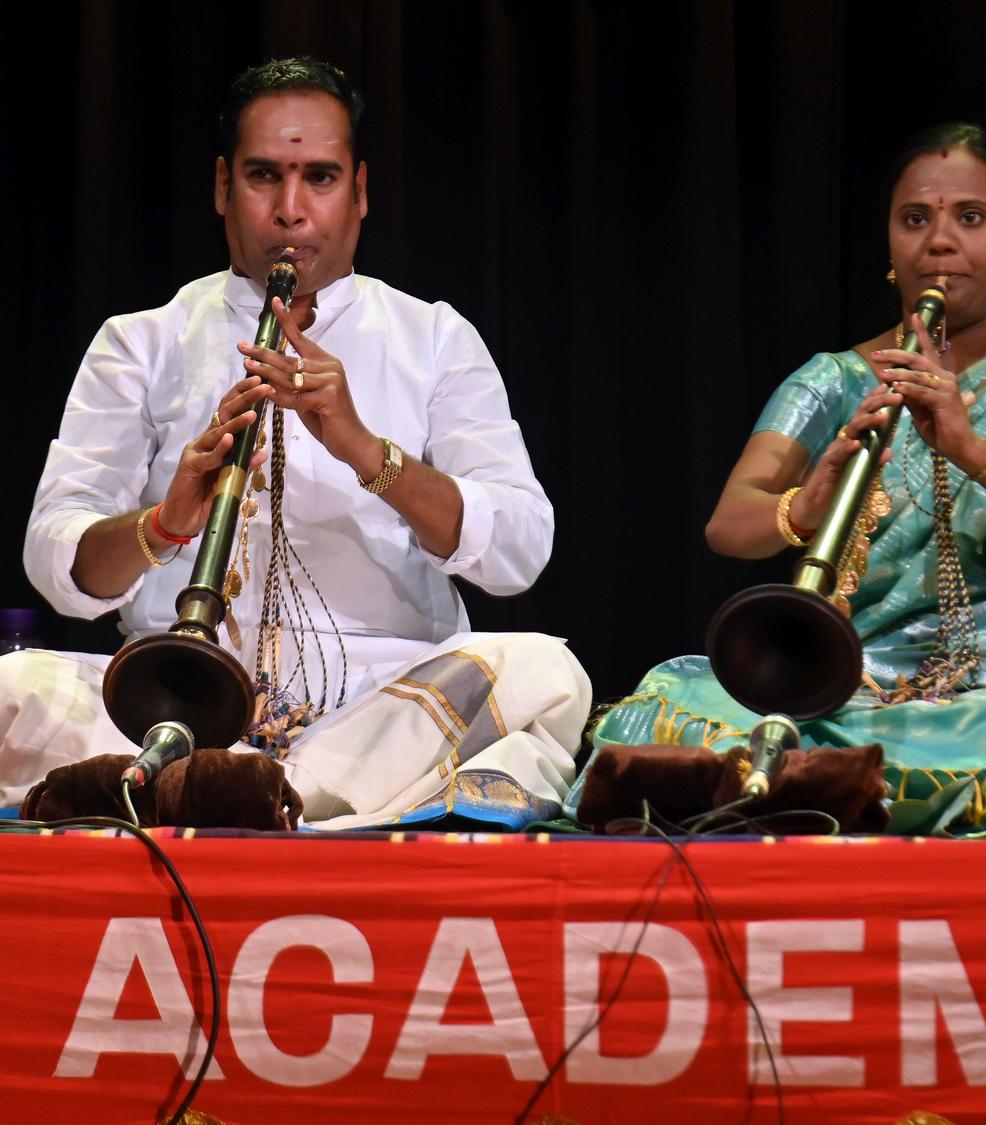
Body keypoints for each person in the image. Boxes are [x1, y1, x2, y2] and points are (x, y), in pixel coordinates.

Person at [1, 57, 590, 829]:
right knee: (11, 691)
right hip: (173, 695)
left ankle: (232, 789)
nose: (290, 210)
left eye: (319, 177)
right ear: (222, 188)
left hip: (380, 704)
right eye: (262, 176)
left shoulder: (435, 339)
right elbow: (57, 558)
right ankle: (269, 794)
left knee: (546, 674)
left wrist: (368, 453)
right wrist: (164, 524)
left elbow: (519, 549)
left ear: (360, 192)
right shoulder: (141, 343)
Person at [570, 122, 986, 836]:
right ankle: (859, 772)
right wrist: (802, 506)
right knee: (665, 702)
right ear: (891, 243)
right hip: (851, 681)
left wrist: (968, 445)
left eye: (970, 217)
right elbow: (729, 525)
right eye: (914, 219)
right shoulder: (835, 379)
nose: (939, 241)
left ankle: (843, 785)